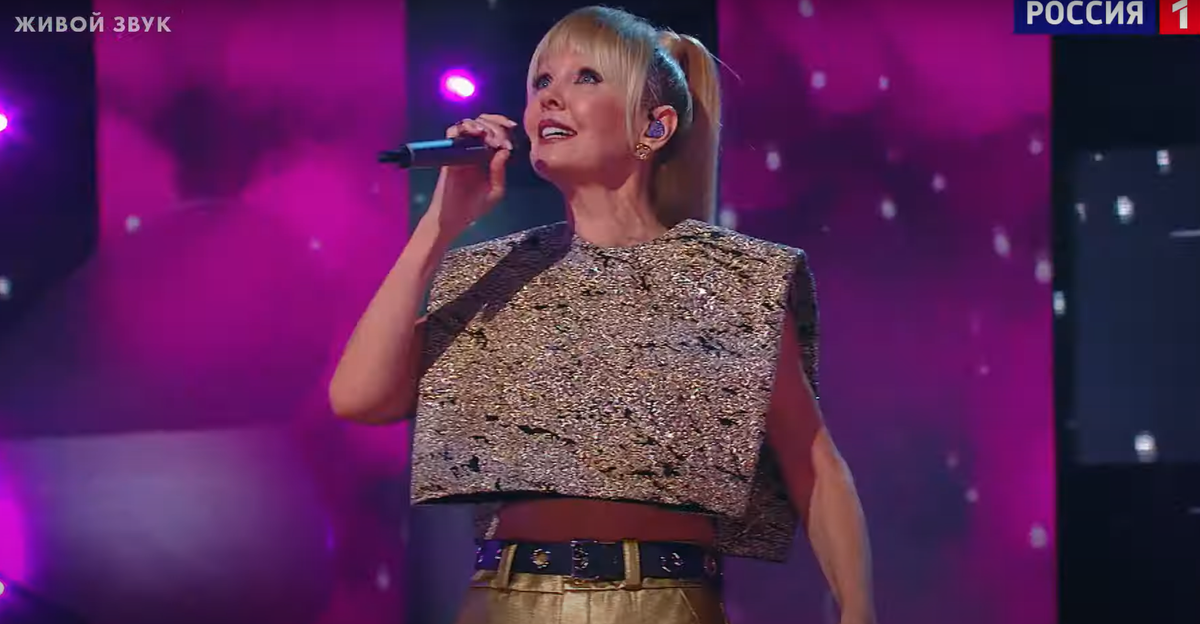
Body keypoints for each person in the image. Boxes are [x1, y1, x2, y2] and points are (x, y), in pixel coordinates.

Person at [330, 6, 875, 624]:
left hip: (663, 602)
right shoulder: (498, 275)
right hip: (505, 601)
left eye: (585, 77)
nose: (550, 97)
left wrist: (858, 611)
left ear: (654, 126)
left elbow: (813, 464)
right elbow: (359, 397)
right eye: (541, 81)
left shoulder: (736, 279)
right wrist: (440, 224)